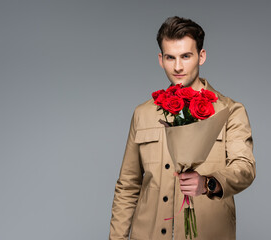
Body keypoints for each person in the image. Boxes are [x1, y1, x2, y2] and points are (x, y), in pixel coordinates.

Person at [109, 16, 256, 240]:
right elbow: (128, 185)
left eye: (186, 56)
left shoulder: (230, 111)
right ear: (161, 59)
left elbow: (244, 169)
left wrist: (207, 183)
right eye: (170, 57)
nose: (178, 67)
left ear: (201, 56)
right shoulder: (143, 113)